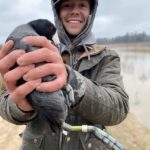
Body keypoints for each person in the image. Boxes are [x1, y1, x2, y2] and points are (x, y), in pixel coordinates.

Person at [0, 0, 129, 149]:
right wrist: (23, 106)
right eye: (67, 5)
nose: (75, 11)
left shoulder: (107, 57)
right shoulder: (30, 49)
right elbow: (3, 102)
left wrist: (71, 81)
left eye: (82, 5)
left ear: (91, 12)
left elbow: (119, 108)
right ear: (57, 13)